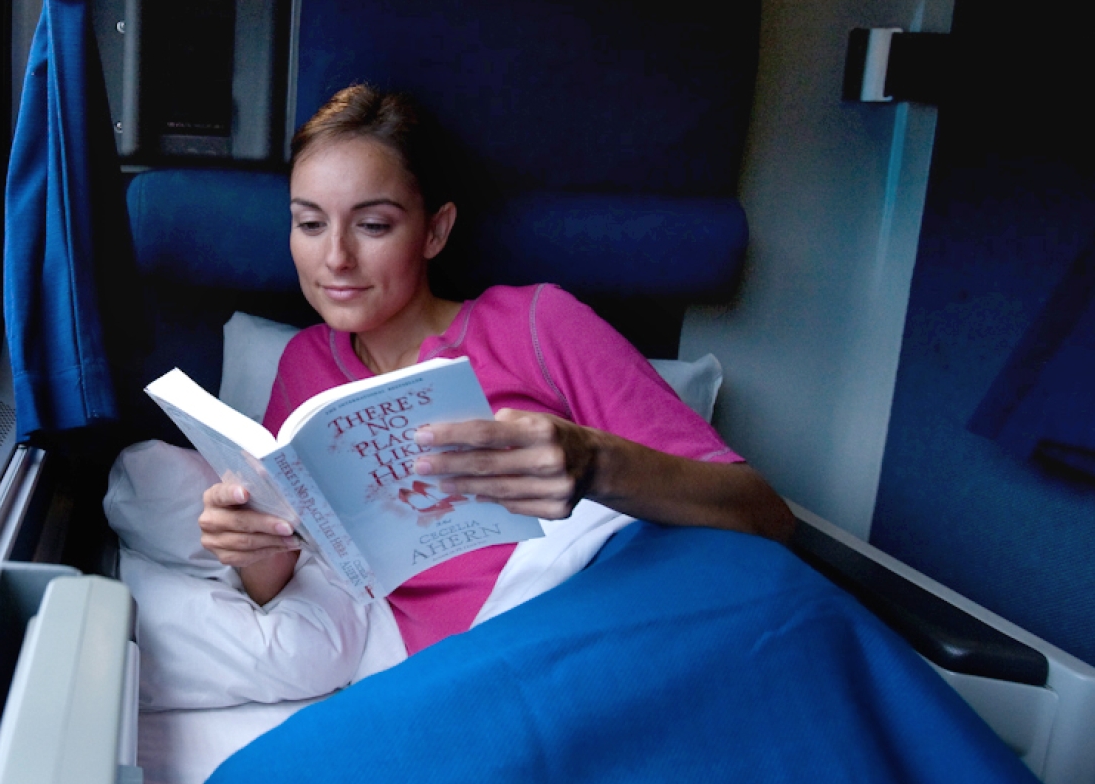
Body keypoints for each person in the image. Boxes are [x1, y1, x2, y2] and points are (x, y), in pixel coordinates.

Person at [197, 84, 796, 654]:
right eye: (310, 224)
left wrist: (596, 463)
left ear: (435, 230)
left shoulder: (537, 324)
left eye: (373, 225)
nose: (335, 258)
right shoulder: (304, 367)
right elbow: (283, 581)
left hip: (611, 610)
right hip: (461, 664)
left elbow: (764, 515)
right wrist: (249, 544)